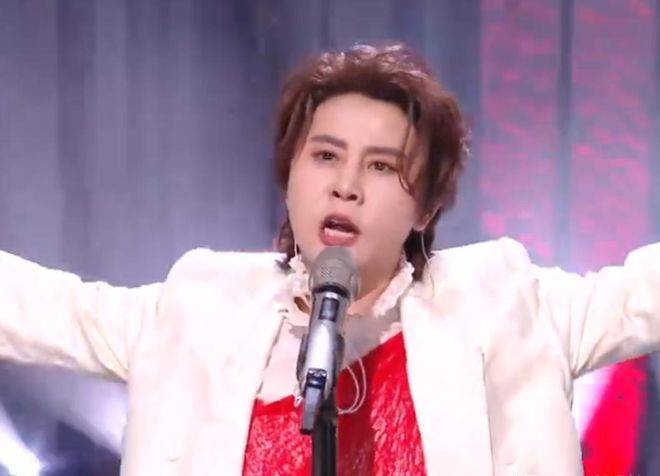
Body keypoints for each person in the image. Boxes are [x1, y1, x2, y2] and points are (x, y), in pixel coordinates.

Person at [0, 42, 659, 475]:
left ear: (426, 208)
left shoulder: (503, 300)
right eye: (324, 156)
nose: (346, 185)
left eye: (382, 166)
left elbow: (641, 296)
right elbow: (44, 310)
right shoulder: (200, 305)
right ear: (290, 176)